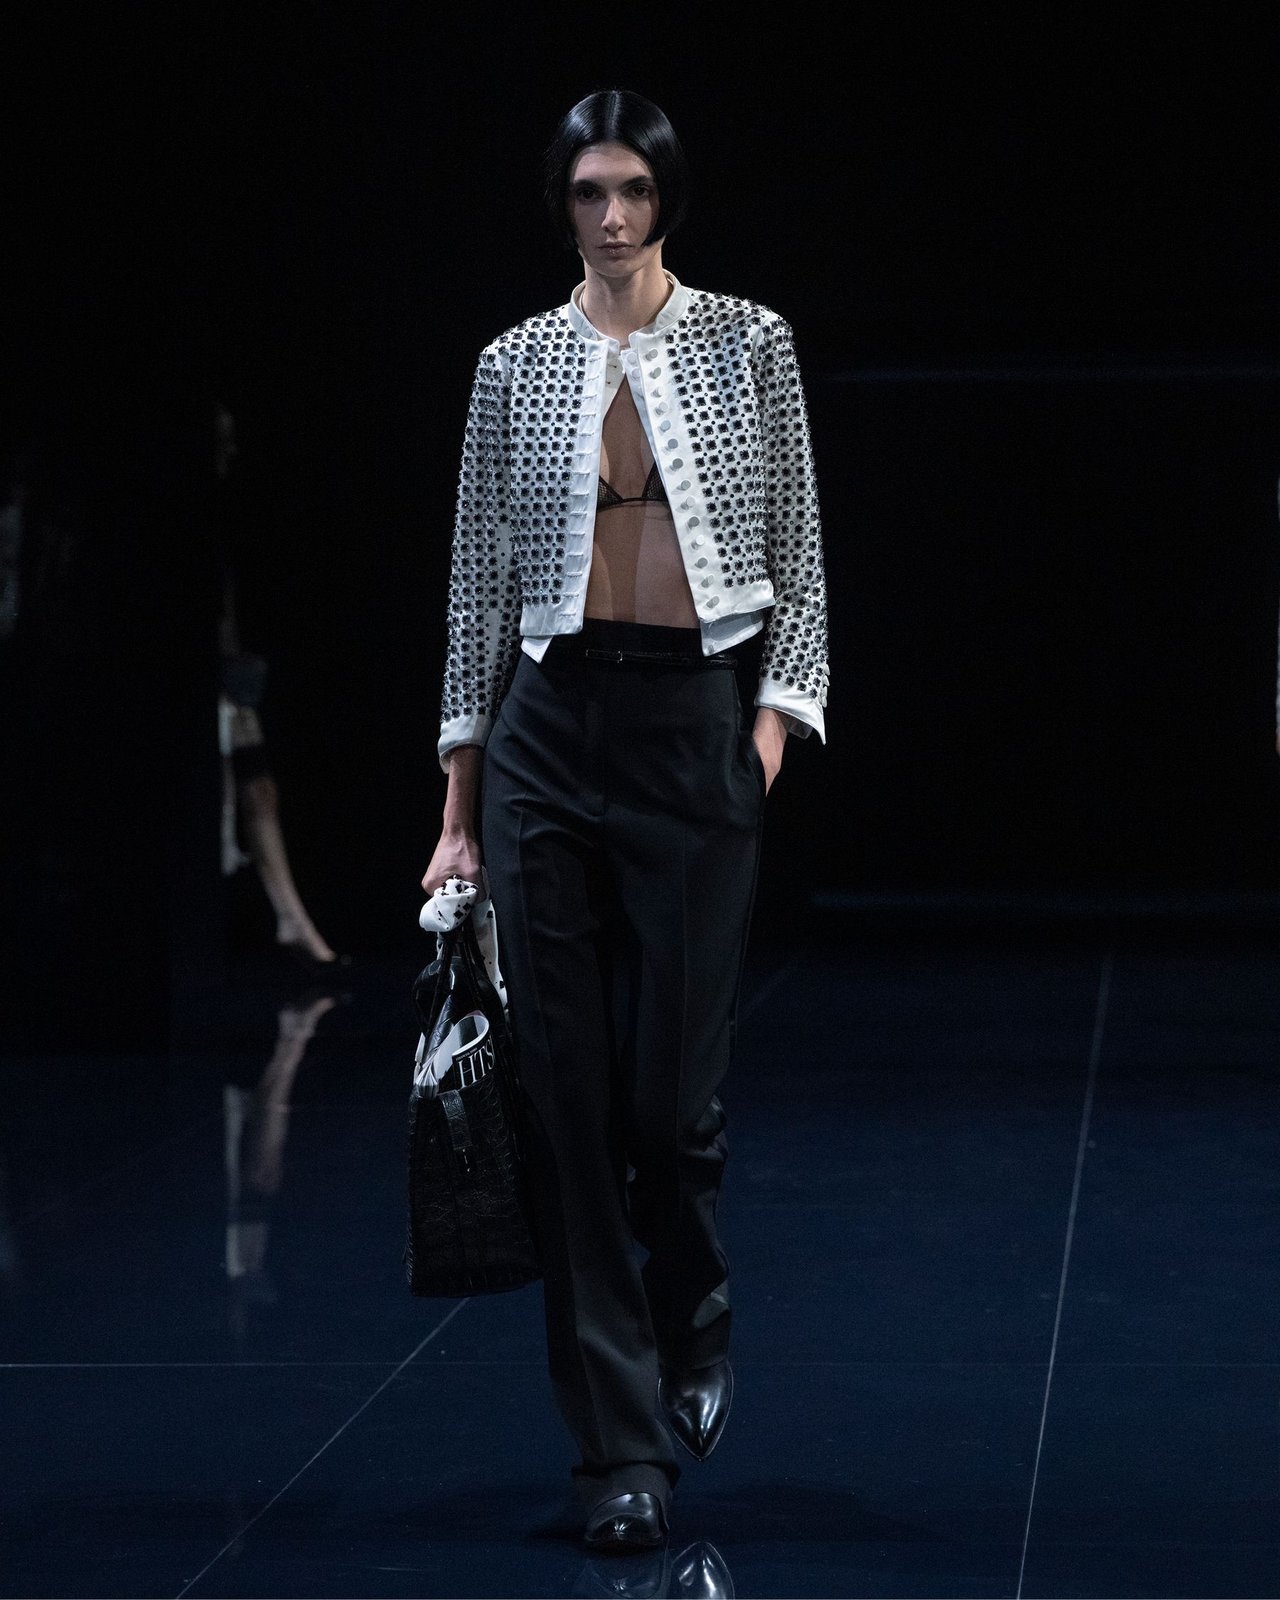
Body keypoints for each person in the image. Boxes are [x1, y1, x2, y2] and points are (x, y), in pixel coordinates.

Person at [421, 88, 828, 1551]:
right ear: (562, 204)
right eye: (588, 193)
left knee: (669, 1098)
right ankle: (618, 1449)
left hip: (693, 726)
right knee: (568, 1105)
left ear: (666, 200)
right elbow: (477, 582)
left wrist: (763, 737)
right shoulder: (513, 363)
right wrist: (459, 807)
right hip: (549, 733)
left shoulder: (748, 341)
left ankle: (693, 1302)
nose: (610, 218)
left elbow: (799, 556)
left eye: (633, 192)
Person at [214, 403, 343, 969]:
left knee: (258, 789)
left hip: (228, 679)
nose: (230, 450)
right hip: (215, 682)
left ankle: (291, 919)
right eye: (221, 439)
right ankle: (288, 920)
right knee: (245, 792)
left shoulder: (225, 512)